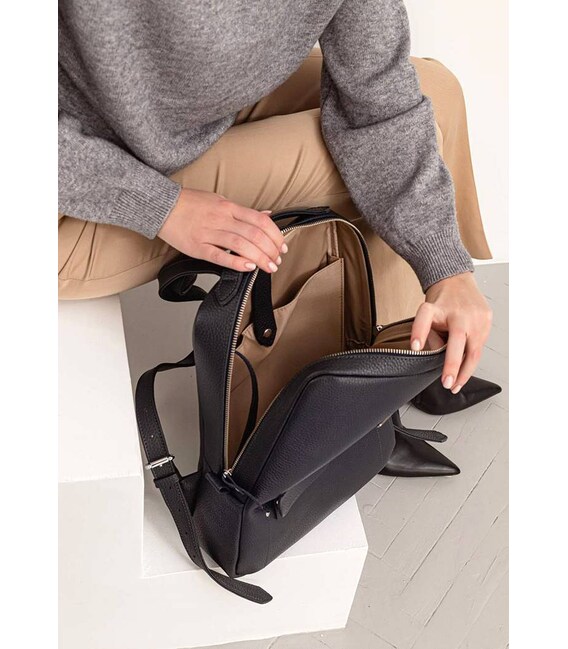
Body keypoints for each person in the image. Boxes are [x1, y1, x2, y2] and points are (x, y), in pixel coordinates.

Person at [58, 0, 494, 399]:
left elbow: (381, 103)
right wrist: (160, 206)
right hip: (69, 203)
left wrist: (447, 270)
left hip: (161, 129)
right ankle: (367, 396)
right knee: (360, 166)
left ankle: (418, 347)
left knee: (436, 90)